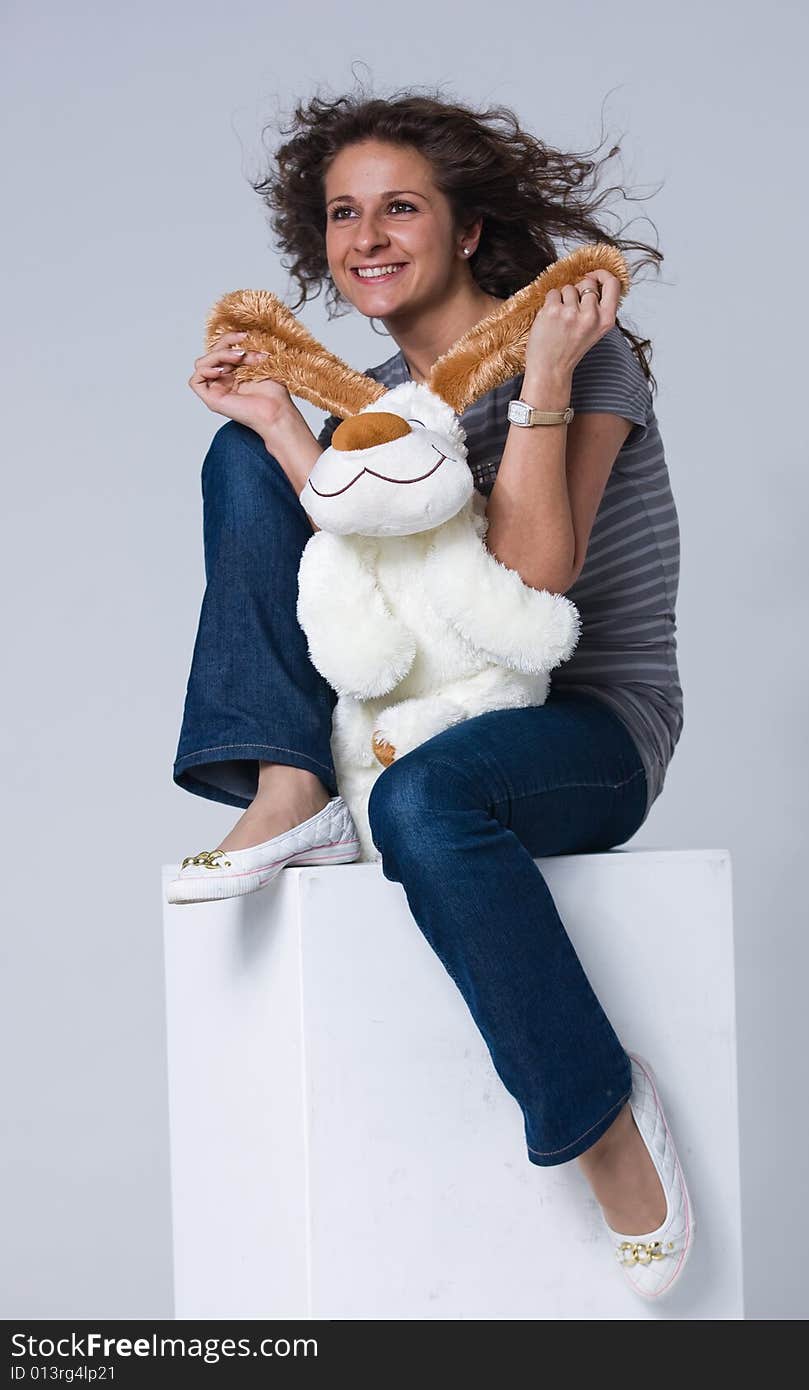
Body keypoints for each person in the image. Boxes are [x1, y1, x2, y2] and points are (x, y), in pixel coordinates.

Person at [167, 89, 693, 1299]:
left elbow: (529, 580)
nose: (367, 237)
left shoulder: (577, 350)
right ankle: (289, 781)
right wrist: (284, 428)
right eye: (343, 213)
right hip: (404, 714)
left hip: (580, 727)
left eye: (400, 206)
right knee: (245, 449)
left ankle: (600, 1120)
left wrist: (547, 376)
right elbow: (364, 565)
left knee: (426, 808)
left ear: (463, 231)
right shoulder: (365, 397)